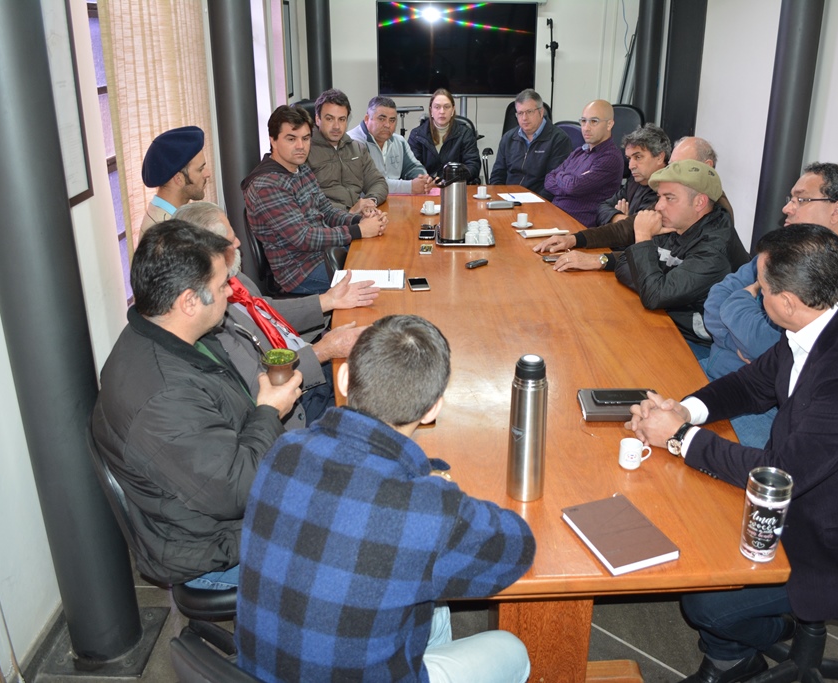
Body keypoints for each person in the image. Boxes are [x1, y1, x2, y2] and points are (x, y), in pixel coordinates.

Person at [626, 224, 838, 683]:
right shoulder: (825, 316)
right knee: (701, 526)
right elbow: (751, 384)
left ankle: (736, 653)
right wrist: (684, 411)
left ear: (787, 302)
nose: (757, 296)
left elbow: (781, 473)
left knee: (708, 598)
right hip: (824, 488)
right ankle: (735, 655)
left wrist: (678, 438)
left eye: (763, 290)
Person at [236, 314, 535, 682]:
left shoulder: (284, 450)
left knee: (431, 602)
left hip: (261, 673)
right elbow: (517, 548)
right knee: (512, 650)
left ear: (343, 379)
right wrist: (439, 493)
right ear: (432, 410)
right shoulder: (425, 508)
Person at [90, 221, 304, 590]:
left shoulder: (163, 334)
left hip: (220, 506)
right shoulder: (162, 396)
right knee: (359, 542)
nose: (230, 291)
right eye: (221, 285)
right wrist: (269, 411)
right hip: (215, 546)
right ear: (188, 301)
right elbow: (235, 492)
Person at [701, 162, 838, 447]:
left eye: (801, 199)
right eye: (791, 199)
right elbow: (715, 299)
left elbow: (771, 351)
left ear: (837, 210)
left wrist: (738, 310)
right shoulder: (791, 247)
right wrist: (732, 340)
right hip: (724, 369)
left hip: (771, 412)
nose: (787, 208)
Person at [174, 201, 378, 427]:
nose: (239, 242)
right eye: (231, 240)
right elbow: (261, 389)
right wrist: (323, 351)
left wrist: (327, 301)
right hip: (300, 403)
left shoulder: (232, 278)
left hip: (304, 358)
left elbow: (264, 309)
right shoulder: (210, 321)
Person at [547, 160, 746, 348]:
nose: (658, 206)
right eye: (659, 197)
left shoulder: (715, 246)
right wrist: (653, 278)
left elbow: (655, 296)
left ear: (699, 202)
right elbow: (626, 262)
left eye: (669, 198)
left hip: (693, 342)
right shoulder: (677, 222)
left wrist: (643, 238)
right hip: (662, 320)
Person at [242, 105, 388, 295]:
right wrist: (358, 230)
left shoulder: (299, 168)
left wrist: (360, 220)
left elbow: (326, 211)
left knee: (384, 257)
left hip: (325, 253)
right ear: (273, 141)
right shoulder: (267, 185)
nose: (301, 146)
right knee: (378, 286)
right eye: (291, 139)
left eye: (305, 138)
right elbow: (304, 238)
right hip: (300, 272)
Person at [532, 124, 670, 254]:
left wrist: (625, 224)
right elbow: (602, 208)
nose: (631, 165)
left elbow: (632, 231)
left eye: (638, 157)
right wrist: (619, 217)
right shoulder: (634, 182)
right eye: (629, 158)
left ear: (659, 157)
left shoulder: (665, 194)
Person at [543, 99, 625, 226]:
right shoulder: (579, 152)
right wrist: (568, 183)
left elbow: (573, 187)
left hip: (578, 226)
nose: (586, 128)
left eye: (594, 121)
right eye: (583, 121)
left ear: (609, 124)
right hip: (555, 217)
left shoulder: (610, 158)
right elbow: (548, 180)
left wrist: (561, 176)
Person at [306, 88, 388, 212]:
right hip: (327, 222)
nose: (336, 126)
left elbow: (378, 182)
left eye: (342, 119)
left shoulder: (357, 148)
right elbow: (307, 199)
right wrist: (348, 211)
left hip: (357, 218)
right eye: (329, 119)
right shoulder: (305, 151)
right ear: (318, 119)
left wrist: (370, 201)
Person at [488, 88, 572, 198]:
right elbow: (497, 175)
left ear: (541, 112)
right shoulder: (508, 138)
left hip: (539, 202)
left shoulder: (559, 140)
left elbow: (554, 183)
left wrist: (533, 203)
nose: (524, 118)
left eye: (529, 112)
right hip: (507, 199)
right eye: (520, 113)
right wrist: (498, 197)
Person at [136, 125, 210, 246]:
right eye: (200, 169)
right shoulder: (166, 238)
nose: (208, 173)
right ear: (179, 179)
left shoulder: (171, 217)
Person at [348, 95, 435, 194]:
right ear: (367, 119)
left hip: (394, 202)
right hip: (365, 205)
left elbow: (413, 167)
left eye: (392, 120)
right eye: (381, 119)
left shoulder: (399, 141)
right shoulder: (353, 142)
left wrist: (424, 180)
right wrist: (409, 187)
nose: (387, 125)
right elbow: (370, 183)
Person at [408, 88, 481, 181]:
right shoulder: (417, 135)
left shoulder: (465, 133)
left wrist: (453, 178)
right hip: (426, 187)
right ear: (431, 110)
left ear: (453, 110)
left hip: (455, 186)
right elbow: (411, 167)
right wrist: (427, 180)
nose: (442, 111)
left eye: (446, 107)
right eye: (437, 107)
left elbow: (473, 165)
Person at [669, 136, 735, 226]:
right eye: (671, 166)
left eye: (681, 166)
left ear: (707, 166)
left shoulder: (719, 210)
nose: (671, 172)